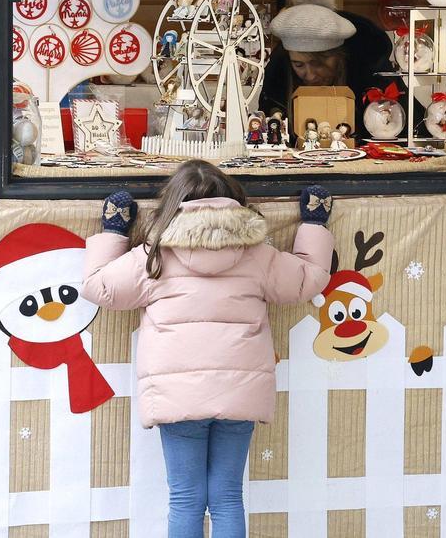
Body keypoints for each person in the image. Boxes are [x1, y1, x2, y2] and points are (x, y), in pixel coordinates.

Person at [81, 161, 335, 538]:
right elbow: (307, 281)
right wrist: (314, 224)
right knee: (228, 497)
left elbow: (98, 287)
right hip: (240, 394)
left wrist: (115, 229)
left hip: (177, 396)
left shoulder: (155, 255)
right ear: (232, 203)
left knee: (185, 498)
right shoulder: (257, 253)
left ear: (173, 205)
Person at [261, 0, 394, 138]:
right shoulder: (277, 81)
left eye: (318, 63)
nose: (310, 75)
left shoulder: (372, 75)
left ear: (339, 56)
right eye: (298, 65)